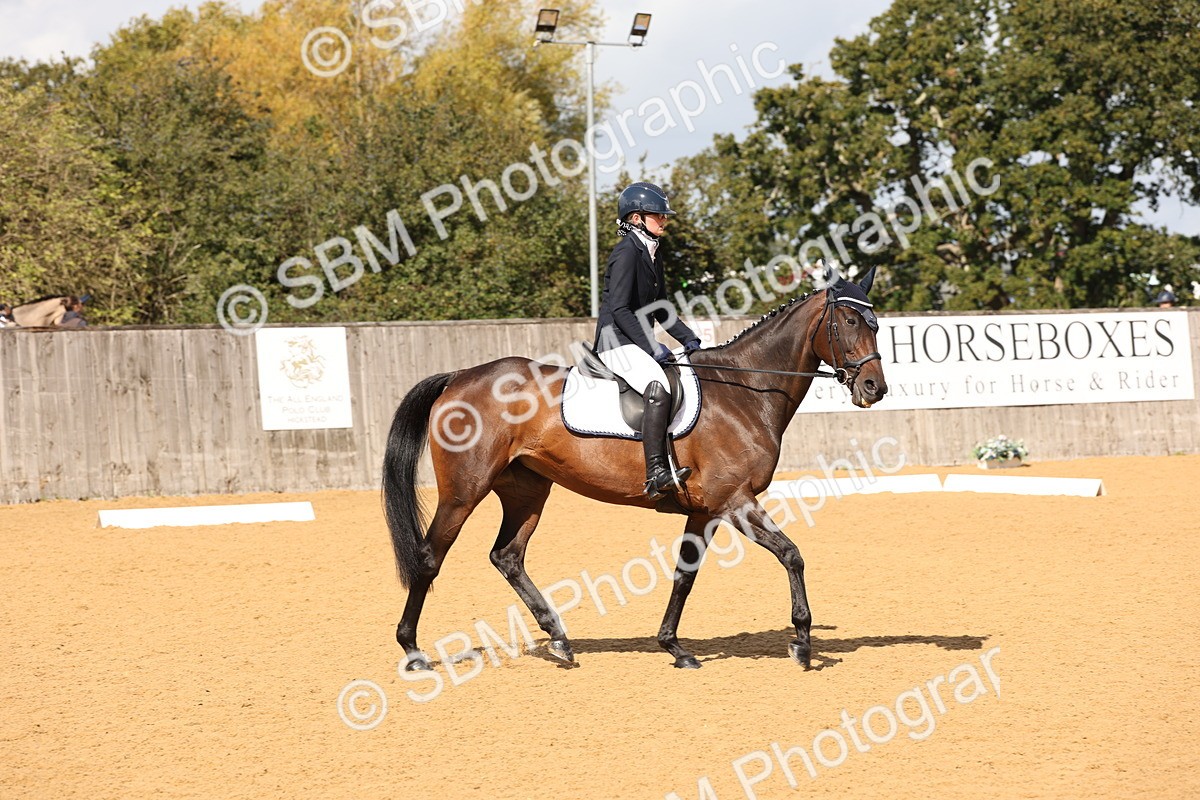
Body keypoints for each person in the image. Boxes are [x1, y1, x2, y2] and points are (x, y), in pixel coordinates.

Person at [593, 182, 701, 500]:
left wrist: (688, 338)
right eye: (658, 215)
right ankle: (655, 473)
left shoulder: (652, 252)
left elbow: (661, 308)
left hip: (633, 340)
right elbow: (620, 309)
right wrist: (651, 347)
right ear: (637, 218)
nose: (664, 220)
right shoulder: (626, 252)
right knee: (657, 384)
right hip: (615, 341)